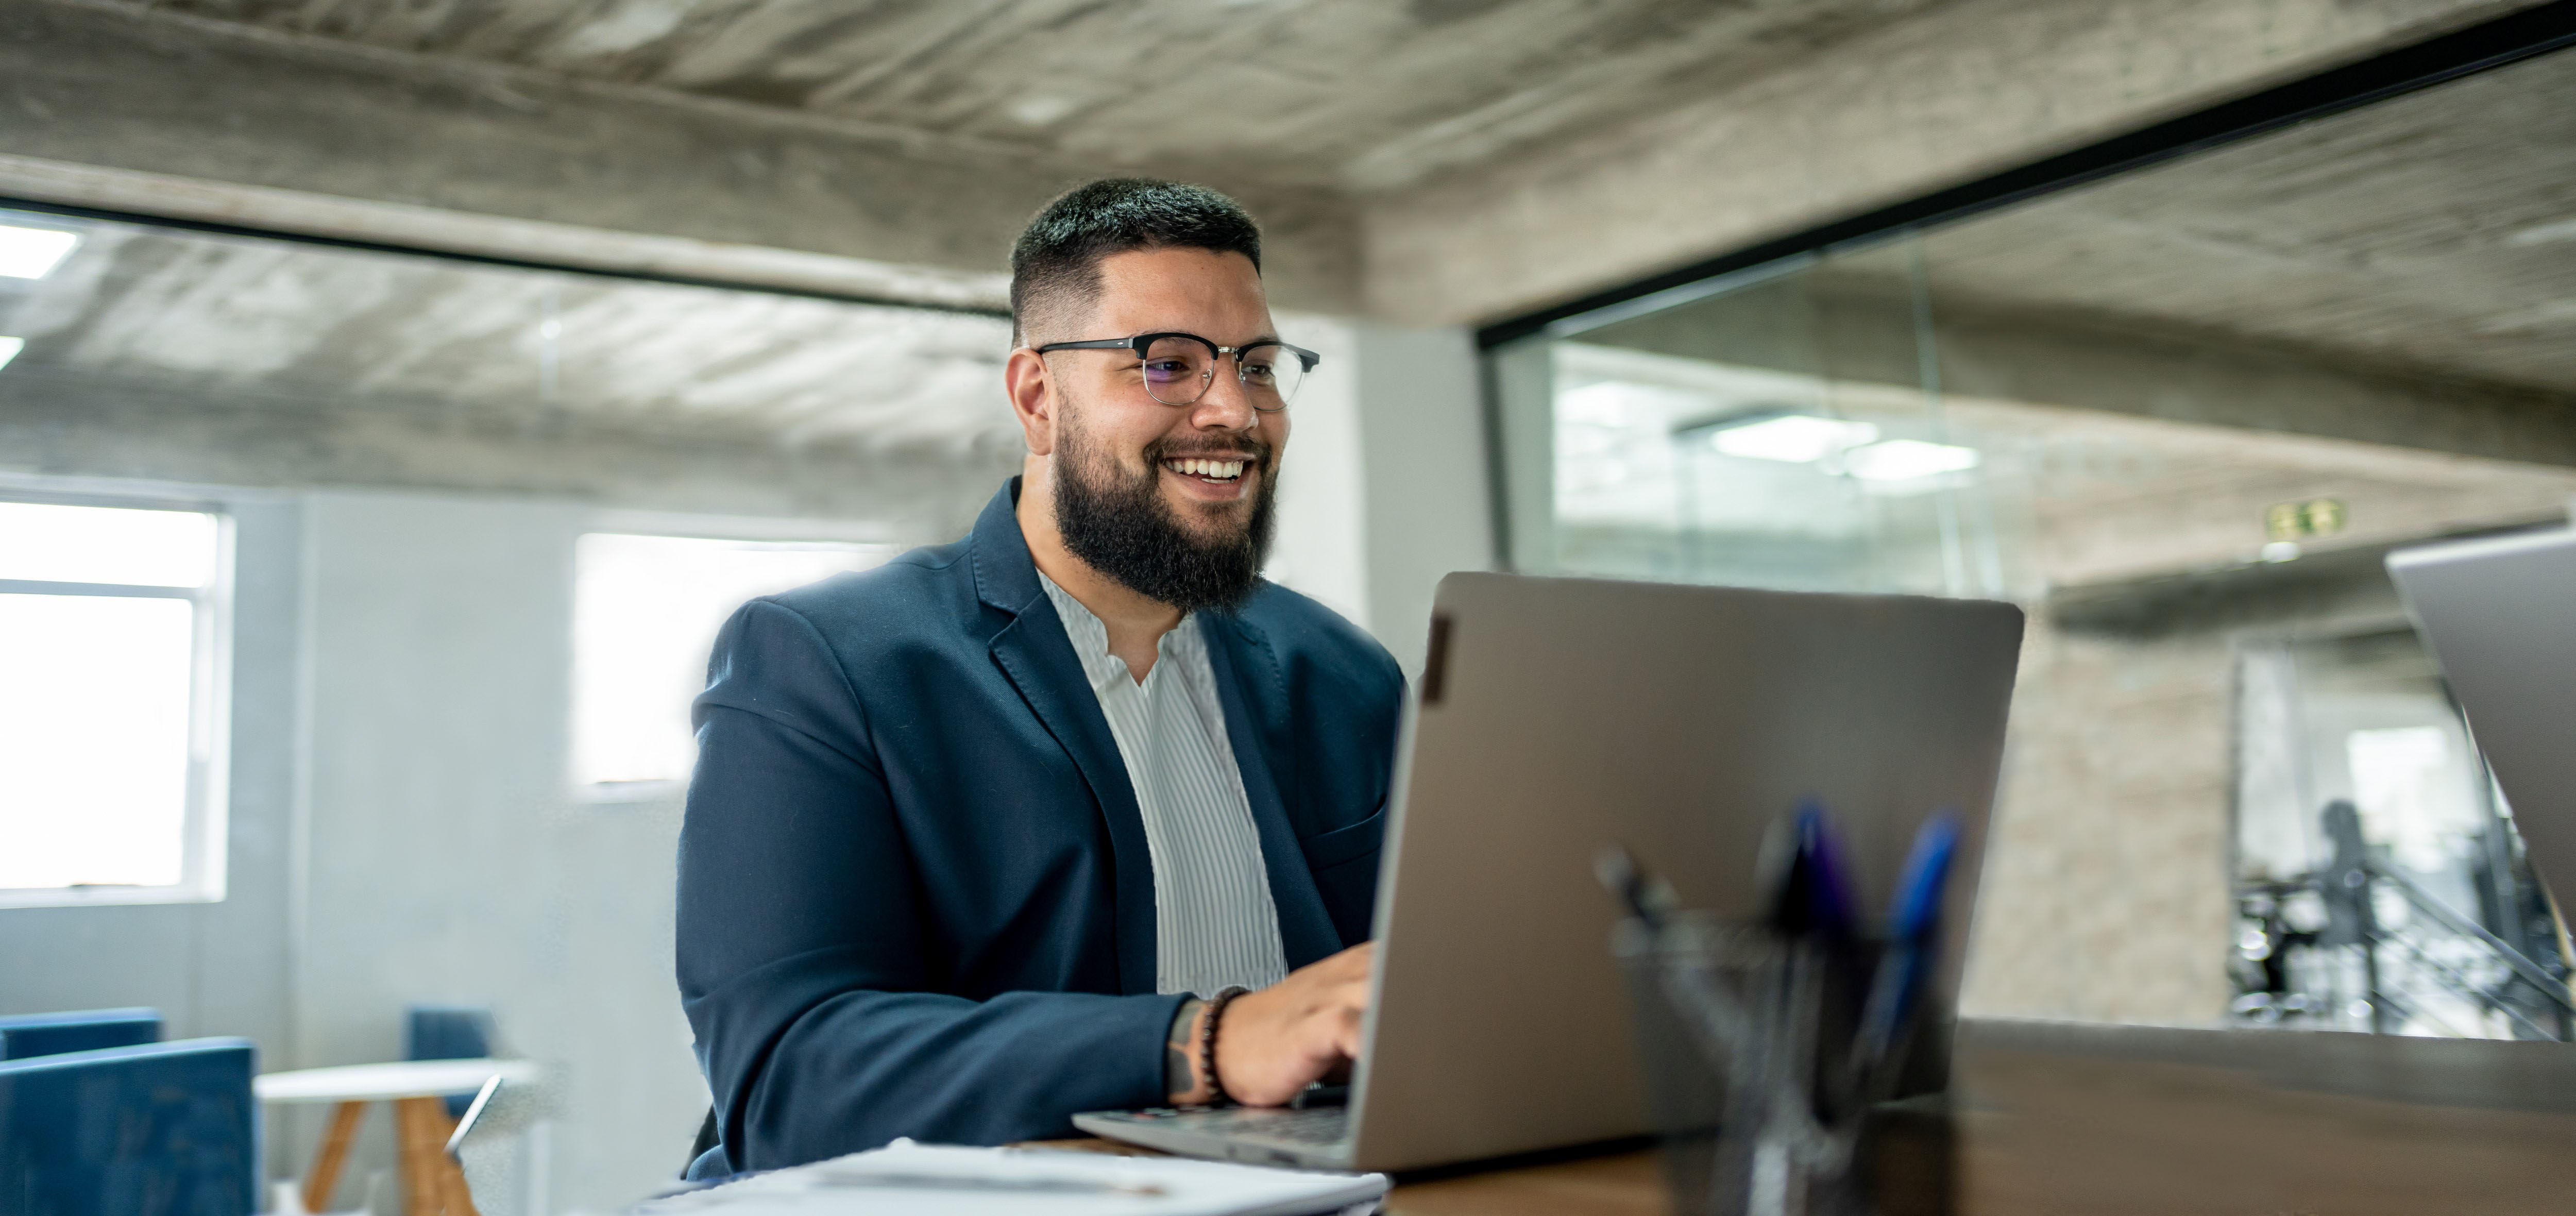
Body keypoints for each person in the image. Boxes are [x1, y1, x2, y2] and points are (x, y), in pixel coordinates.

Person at [675, 178, 1404, 1176]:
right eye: (1167, 365)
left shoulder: (1343, 672)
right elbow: (792, 1078)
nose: (1234, 410)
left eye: (1261, 366)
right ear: (1036, 398)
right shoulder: (826, 658)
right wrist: (1206, 1041)